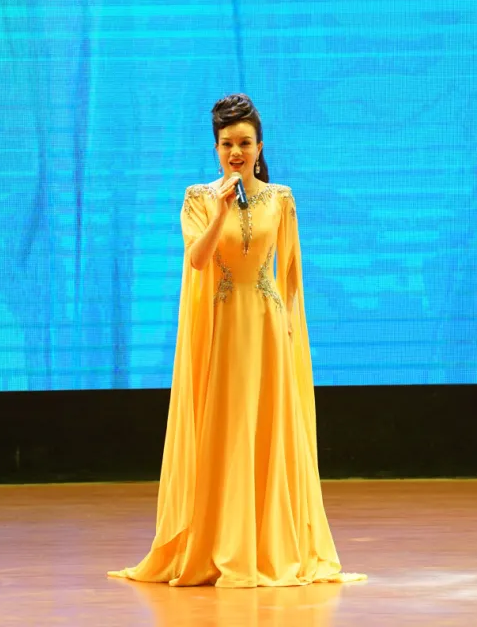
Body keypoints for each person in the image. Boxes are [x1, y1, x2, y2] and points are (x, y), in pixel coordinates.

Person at [108, 94, 365, 588]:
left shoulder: (281, 198)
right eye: (227, 144)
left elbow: (290, 275)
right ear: (216, 148)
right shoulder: (198, 198)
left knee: (266, 427)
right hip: (223, 328)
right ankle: (220, 544)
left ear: (259, 146)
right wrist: (222, 210)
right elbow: (197, 260)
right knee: (226, 428)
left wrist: (289, 330)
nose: (236, 152)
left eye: (245, 143)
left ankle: (269, 546)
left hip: (265, 326)